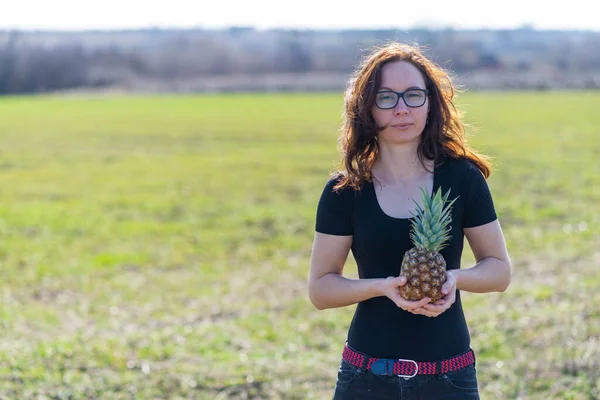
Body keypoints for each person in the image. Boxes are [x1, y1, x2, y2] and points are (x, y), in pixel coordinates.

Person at [308, 42, 512, 399]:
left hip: (449, 378)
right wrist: (382, 286)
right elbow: (321, 290)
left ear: (430, 103)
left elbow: (499, 270)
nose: (402, 109)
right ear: (366, 107)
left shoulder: (462, 179)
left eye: (413, 95)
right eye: (386, 97)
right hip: (365, 377)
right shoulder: (345, 190)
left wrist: (454, 279)